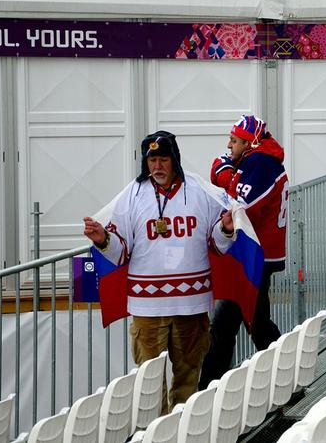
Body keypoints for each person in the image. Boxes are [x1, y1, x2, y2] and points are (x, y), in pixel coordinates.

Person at [82, 130, 235, 412]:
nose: (157, 167)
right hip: (147, 306)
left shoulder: (200, 190)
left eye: (163, 159)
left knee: (188, 378)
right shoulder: (132, 195)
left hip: (192, 303)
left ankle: (184, 431)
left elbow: (217, 244)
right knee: (149, 382)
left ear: (174, 160)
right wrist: (103, 239)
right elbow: (121, 252)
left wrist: (226, 229)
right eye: (152, 160)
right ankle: (158, 434)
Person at [199, 114, 289, 389]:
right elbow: (224, 180)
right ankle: (285, 375)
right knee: (253, 322)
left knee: (231, 323)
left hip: (256, 255)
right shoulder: (256, 161)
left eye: (234, 140)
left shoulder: (261, 164)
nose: (229, 145)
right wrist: (227, 175)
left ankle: (208, 389)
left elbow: (238, 205)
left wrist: (225, 175)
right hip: (254, 254)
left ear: (249, 143)